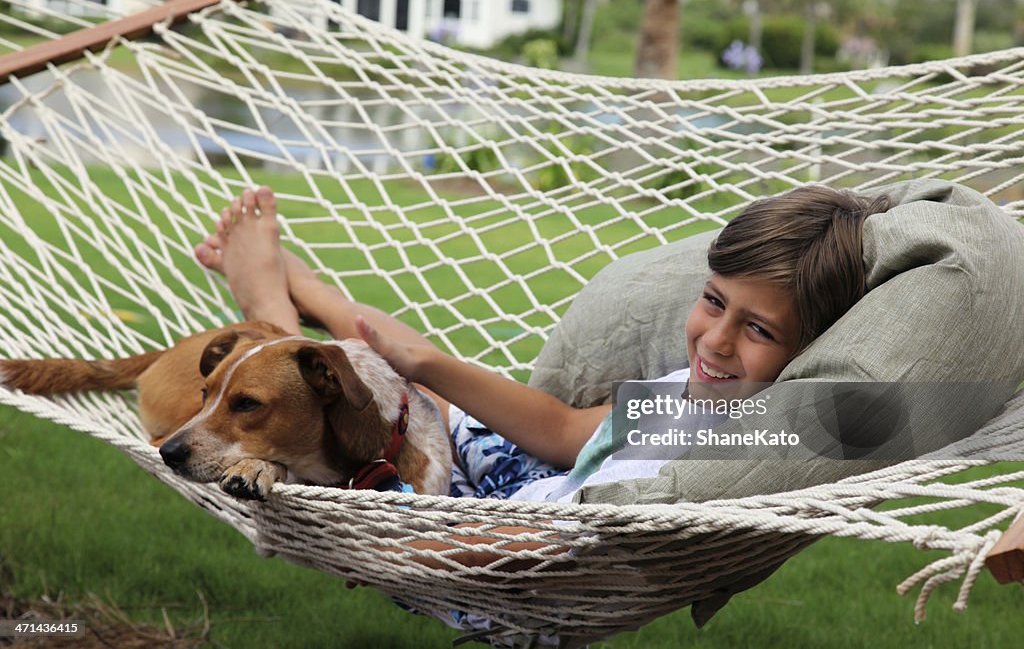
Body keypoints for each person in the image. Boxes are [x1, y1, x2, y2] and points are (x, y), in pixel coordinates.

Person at [193, 184, 892, 507]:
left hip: (497, 534)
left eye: (759, 329)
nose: (716, 339)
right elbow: (562, 431)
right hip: (517, 472)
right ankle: (309, 291)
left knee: (342, 405)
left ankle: (269, 305)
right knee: (405, 369)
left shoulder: (758, 440)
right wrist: (429, 365)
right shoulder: (694, 390)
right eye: (713, 301)